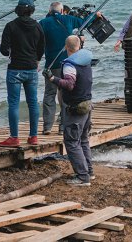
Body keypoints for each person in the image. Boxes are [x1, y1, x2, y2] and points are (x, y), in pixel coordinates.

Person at [44, 35, 94, 186]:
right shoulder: (85, 59)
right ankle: (89, 172)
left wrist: (52, 79)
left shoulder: (69, 64)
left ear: (66, 47)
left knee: (71, 142)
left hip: (76, 108)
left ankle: (82, 177)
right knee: (83, 139)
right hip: (87, 104)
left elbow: (69, 84)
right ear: (79, 46)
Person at [0, 0, 45, 147]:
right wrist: (36, 60)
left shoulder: (10, 26)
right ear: (32, 10)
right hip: (32, 68)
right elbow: (41, 48)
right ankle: (33, 136)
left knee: (14, 104)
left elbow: (4, 51)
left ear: (18, 9)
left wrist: (12, 49)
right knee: (33, 103)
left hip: (15, 70)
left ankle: (14, 137)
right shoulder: (38, 26)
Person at [38, 2, 85, 135]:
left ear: (49, 11)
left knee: (49, 95)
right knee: (65, 95)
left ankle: (47, 127)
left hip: (51, 64)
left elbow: (39, 43)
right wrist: (96, 15)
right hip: (67, 64)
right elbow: (86, 21)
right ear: (63, 10)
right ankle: (63, 127)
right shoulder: (68, 19)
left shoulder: (43, 22)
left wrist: (36, 60)